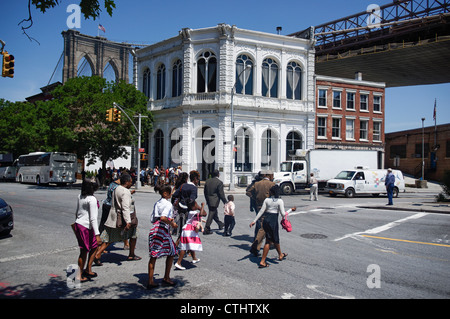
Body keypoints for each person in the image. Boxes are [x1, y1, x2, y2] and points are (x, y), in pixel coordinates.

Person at [95, 174, 141, 265]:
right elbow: (125, 207)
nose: (131, 183)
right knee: (133, 234)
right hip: (124, 218)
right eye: (131, 181)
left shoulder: (117, 189)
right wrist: (128, 221)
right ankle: (97, 254)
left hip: (114, 216)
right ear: (126, 182)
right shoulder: (125, 191)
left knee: (110, 238)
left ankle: (98, 253)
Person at [249, 185, 296, 268]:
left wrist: (254, 221)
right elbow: (283, 214)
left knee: (275, 238)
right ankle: (262, 261)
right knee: (269, 241)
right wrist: (291, 210)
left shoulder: (267, 200)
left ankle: (280, 254)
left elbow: (261, 211)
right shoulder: (280, 201)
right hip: (273, 222)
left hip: (266, 220)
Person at [147, 184, 178, 289]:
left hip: (154, 228)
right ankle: (166, 277)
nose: (171, 194)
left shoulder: (158, 203)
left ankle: (150, 280)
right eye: (170, 193)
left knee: (153, 255)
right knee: (172, 251)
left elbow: (153, 218)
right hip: (162, 229)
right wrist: (172, 223)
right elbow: (163, 218)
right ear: (165, 193)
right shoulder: (168, 204)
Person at [73, 178, 101, 282]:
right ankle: (78, 275)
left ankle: (88, 269)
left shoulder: (80, 196)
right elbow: (93, 218)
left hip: (81, 225)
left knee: (93, 247)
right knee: (84, 251)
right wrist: (97, 234)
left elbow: (77, 212)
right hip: (85, 226)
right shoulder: (91, 199)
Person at [245, 170, 275, 255]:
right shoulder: (270, 183)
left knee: (262, 224)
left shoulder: (256, 183)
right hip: (268, 206)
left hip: (258, 205)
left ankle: (270, 242)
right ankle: (256, 245)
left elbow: (248, 192)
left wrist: (255, 198)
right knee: (262, 225)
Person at [175, 200, 207, 270]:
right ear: (193, 207)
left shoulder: (192, 211)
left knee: (190, 245)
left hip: (188, 230)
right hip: (188, 231)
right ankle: (178, 262)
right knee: (185, 247)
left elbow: (205, 214)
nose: (197, 205)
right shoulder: (192, 212)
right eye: (196, 204)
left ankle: (194, 258)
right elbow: (202, 214)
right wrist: (202, 206)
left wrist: (199, 207)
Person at [203, 170, 227, 235]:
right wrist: (225, 201)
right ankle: (206, 228)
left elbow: (205, 192)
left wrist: (207, 199)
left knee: (214, 213)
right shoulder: (219, 182)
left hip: (209, 200)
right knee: (211, 213)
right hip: (215, 200)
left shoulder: (207, 181)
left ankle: (220, 224)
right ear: (218, 174)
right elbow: (221, 193)